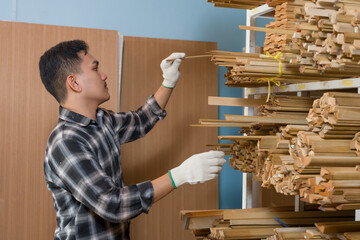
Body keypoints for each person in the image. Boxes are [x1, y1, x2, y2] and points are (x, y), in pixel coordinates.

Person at [39, 39, 226, 240]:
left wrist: (168, 81)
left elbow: (141, 120)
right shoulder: (66, 142)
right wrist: (179, 175)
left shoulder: (102, 120)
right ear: (74, 83)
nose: (104, 75)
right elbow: (112, 204)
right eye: (95, 69)